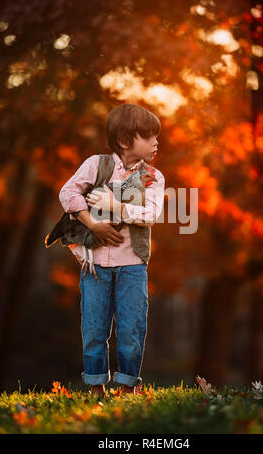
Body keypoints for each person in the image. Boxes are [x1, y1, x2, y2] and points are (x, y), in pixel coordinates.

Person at [58, 103, 165, 398]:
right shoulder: (96, 165)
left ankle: (128, 387)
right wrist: (93, 224)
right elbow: (67, 193)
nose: (156, 142)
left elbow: (151, 214)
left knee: (132, 327)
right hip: (95, 264)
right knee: (94, 327)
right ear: (125, 140)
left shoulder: (153, 176)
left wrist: (114, 206)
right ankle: (96, 388)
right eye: (149, 136)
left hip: (133, 265)